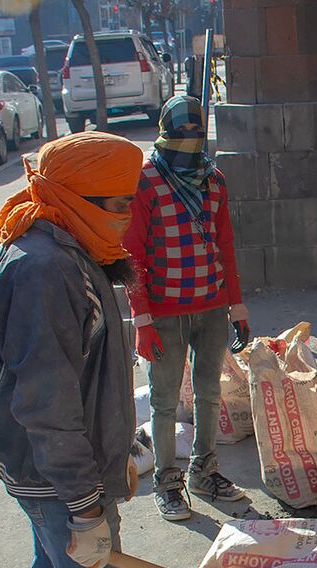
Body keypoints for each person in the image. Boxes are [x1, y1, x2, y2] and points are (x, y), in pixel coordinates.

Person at [0, 132, 232, 568]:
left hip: (62, 471)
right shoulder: (45, 268)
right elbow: (45, 403)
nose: (127, 219)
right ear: (78, 196)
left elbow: (85, 376)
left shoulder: (78, 247)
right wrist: (84, 503)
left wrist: (110, 457)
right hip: (54, 476)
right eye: (117, 206)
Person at [124, 95, 249, 521]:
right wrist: (142, 319)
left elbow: (225, 246)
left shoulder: (214, 180)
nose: (190, 145)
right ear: (164, 134)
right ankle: (167, 481)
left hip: (211, 307)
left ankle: (205, 471)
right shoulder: (144, 182)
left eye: (197, 136)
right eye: (182, 137)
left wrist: (237, 307)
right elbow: (132, 256)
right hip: (163, 313)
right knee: (163, 401)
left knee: (209, 393)